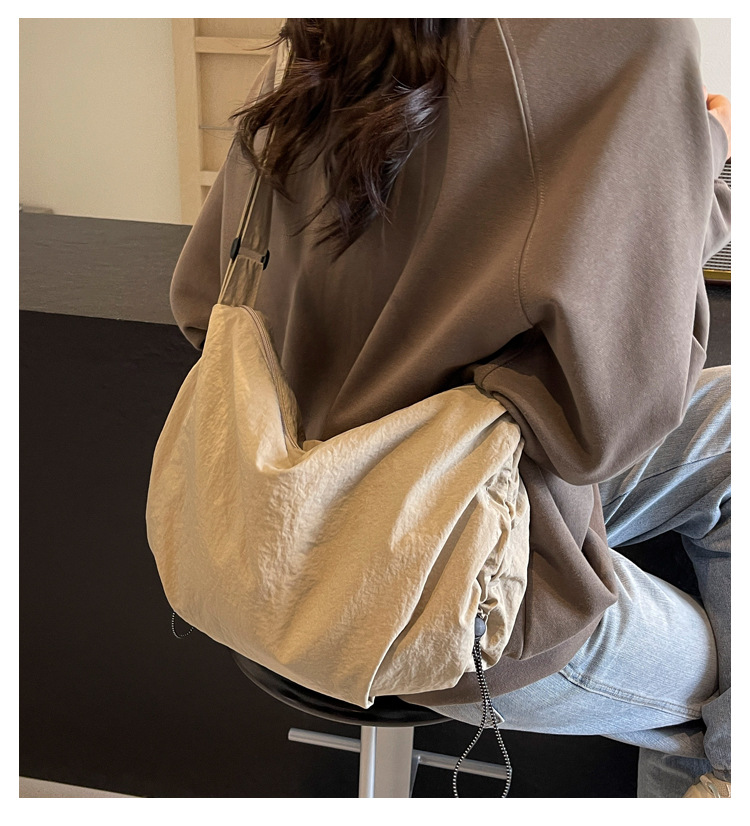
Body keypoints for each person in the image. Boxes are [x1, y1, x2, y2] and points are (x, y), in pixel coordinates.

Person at [169, 19, 731, 797]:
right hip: (458, 603)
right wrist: (694, 161)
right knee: (733, 693)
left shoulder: (335, 30)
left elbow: (202, 300)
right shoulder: (626, 32)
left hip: (265, 545)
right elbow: (604, 427)